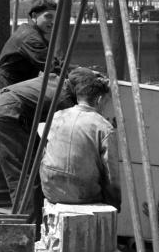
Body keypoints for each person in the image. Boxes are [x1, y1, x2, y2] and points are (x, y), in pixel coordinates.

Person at [0, 74, 76, 224]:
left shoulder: (54, 81)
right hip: (4, 114)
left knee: (35, 166)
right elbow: (67, 140)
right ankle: (27, 232)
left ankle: (33, 225)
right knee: (25, 177)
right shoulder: (64, 98)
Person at [40, 67, 121, 211]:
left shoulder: (57, 116)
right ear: (100, 99)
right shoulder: (103, 126)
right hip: (81, 194)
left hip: (49, 189)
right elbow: (111, 174)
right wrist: (115, 203)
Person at [0, 0, 59, 96]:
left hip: (11, 86)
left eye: (55, 18)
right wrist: (77, 75)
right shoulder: (31, 39)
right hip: (7, 89)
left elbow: (53, 61)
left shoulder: (29, 31)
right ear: (34, 16)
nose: (52, 22)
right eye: (48, 16)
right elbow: (51, 67)